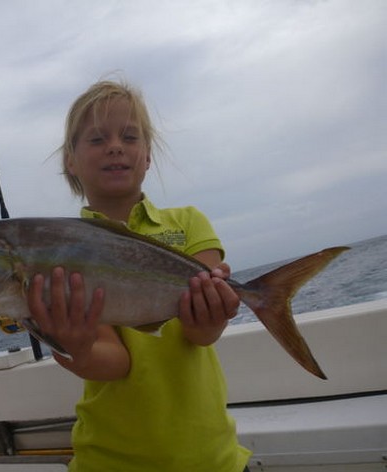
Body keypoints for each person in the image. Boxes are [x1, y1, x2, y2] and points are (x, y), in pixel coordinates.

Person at [27, 79, 251, 471]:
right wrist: (74, 349)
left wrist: (213, 313)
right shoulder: (63, 252)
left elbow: (200, 334)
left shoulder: (189, 225)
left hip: (212, 457)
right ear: (70, 160)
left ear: (147, 156)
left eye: (129, 137)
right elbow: (116, 363)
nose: (115, 146)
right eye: (96, 140)